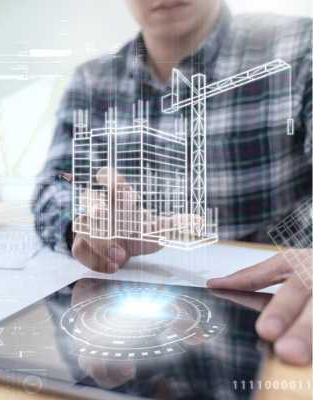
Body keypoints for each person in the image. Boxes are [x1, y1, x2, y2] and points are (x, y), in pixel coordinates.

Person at [32, 0, 312, 365]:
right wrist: (85, 221)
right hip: (141, 334)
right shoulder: (91, 83)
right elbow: (52, 188)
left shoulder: (300, 49)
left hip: (276, 328)